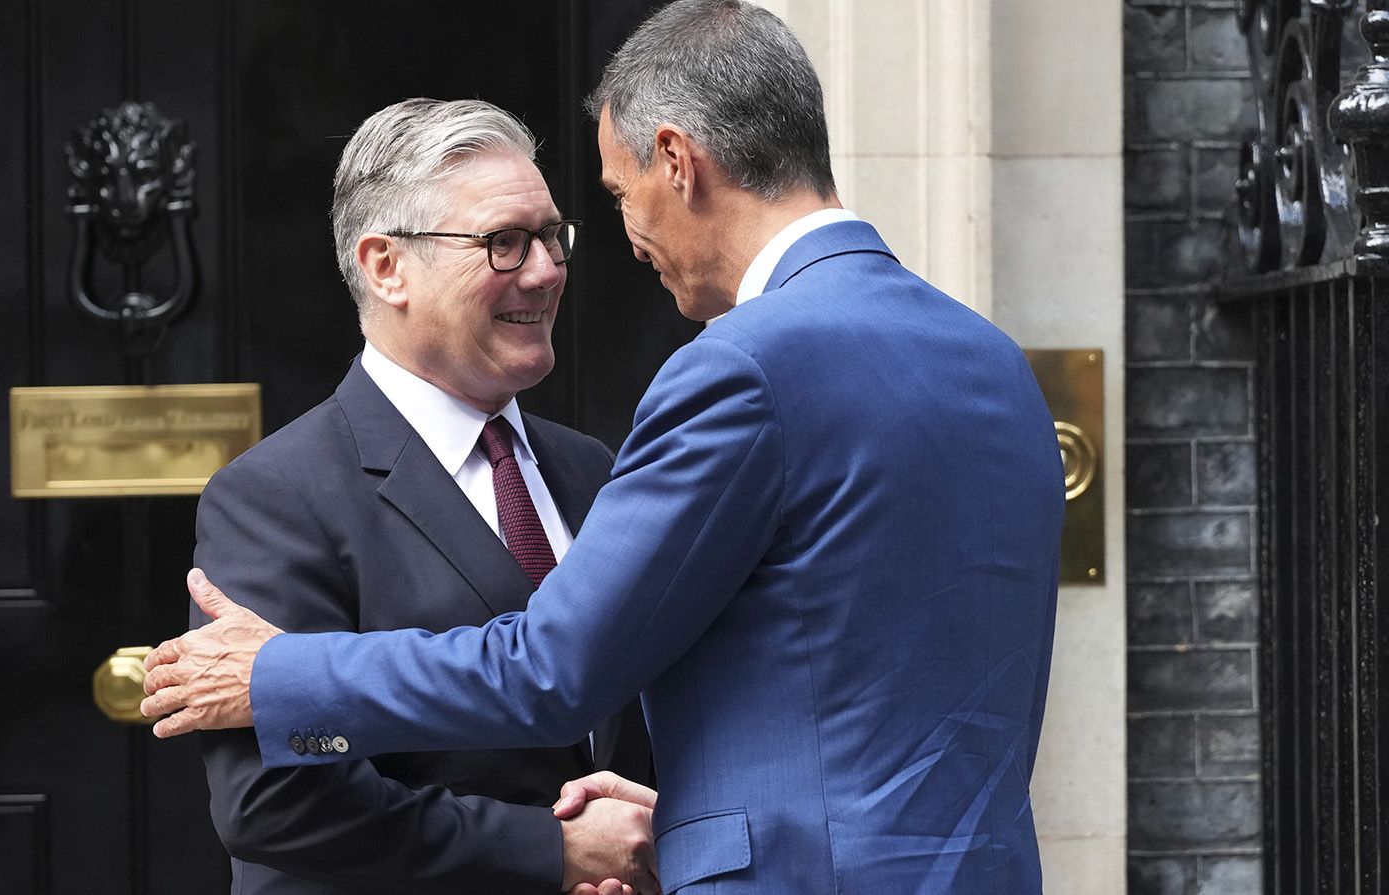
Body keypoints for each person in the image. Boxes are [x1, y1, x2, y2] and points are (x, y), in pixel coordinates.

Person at [143, 2, 1063, 892]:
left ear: (678, 161)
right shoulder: (994, 359)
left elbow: (555, 669)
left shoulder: (728, 377)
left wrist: (279, 675)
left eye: (582, 218)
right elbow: (836, 680)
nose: (564, 264)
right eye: (506, 242)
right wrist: (648, 830)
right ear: (386, 266)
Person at [189, 98, 655, 894]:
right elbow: (274, 800)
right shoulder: (274, 496)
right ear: (385, 266)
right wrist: (552, 849)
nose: (544, 270)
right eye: (503, 243)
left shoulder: (591, 469)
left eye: (551, 237)